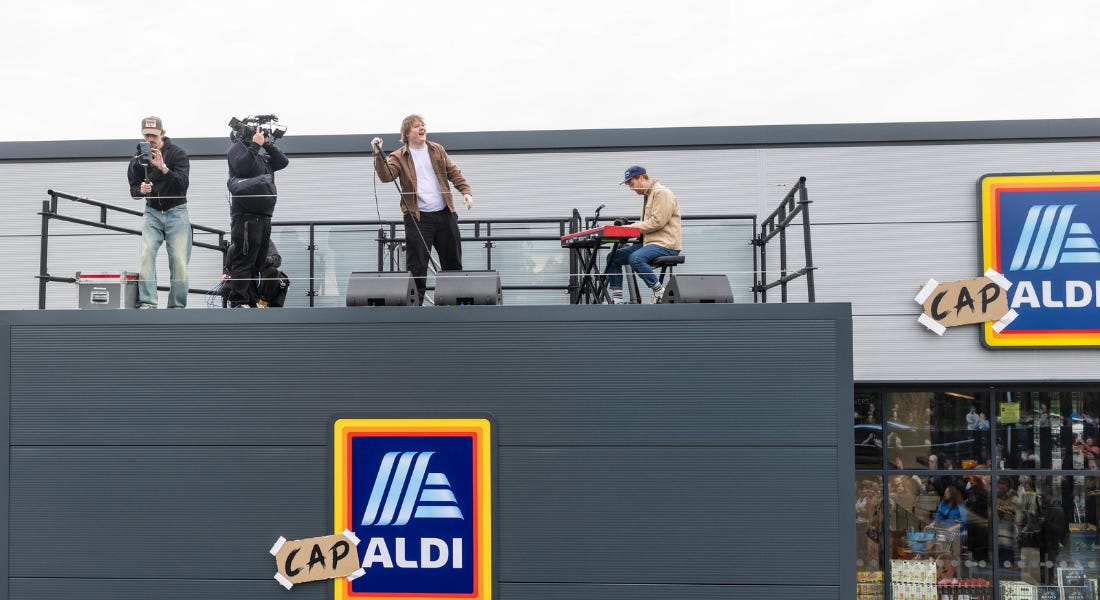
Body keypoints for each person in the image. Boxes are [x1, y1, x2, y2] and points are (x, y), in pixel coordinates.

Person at [371, 115, 473, 305]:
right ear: (407, 134)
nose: (422, 128)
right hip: (418, 218)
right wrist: (378, 154)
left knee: (453, 261)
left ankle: (456, 306)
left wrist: (465, 192)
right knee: (417, 266)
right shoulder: (398, 156)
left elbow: (453, 172)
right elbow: (386, 176)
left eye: (423, 125)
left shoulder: (437, 149)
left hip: (445, 214)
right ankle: (415, 308)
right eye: (417, 126)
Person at [126, 116, 191, 309]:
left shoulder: (178, 154)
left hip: (176, 211)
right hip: (152, 211)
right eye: (146, 135)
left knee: (179, 260)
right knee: (147, 254)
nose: (150, 139)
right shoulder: (137, 160)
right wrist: (140, 191)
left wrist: (163, 168)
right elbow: (133, 189)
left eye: (154, 135)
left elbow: (183, 184)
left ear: (163, 133)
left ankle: (177, 306)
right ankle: (147, 302)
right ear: (141, 134)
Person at [225, 124, 289, 307]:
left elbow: (282, 162)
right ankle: (239, 301)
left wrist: (266, 144)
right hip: (245, 217)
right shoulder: (236, 149)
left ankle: (251, 300)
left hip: (264, 217)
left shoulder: (261, 156)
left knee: (258, 262)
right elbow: (242, 168)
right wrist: (254, 146)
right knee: (244, 259)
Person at [608, 165, 682, 304]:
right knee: (613, 257)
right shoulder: (649, 195)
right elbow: (648, 223)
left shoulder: (661, 193)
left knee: (635, 258)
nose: (631, 188)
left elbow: (657, 222)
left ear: (641, 177)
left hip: (666, 244)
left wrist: (629, 228)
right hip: (650, 242)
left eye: (632, 183)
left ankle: (660, 291)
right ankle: (617, 298)